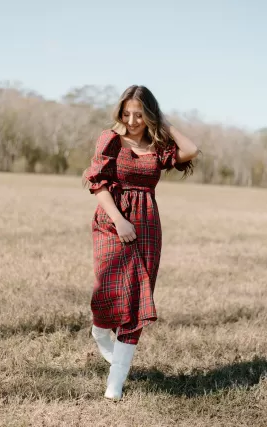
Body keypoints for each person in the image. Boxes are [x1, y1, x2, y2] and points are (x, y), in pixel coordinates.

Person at [83, 85, 199, 400]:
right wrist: (120, 221)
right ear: (120, 113)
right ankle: (99, 329)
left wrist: (163, 123)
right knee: (108, 288)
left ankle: (114, 385)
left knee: (137, 299)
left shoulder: (158, 146)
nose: (132, 121)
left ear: (149, 114)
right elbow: (97, 185)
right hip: (112, 221)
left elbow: (190, 150)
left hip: (147, 225)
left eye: (139, 114)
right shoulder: (110, 140)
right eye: (127, 113)